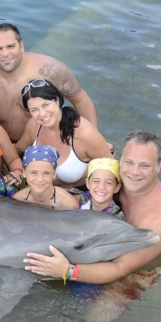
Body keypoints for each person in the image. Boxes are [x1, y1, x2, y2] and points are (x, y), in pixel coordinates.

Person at [23, 130, 161, 284]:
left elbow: (119, 268)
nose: (134, 172)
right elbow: (84, 192)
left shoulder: (157, 219)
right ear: (120, 161)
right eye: (129, 162)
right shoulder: (115, 181)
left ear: (158, 167)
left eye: (145, 165)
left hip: (133, 271)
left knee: (106, 304)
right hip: (98, 247)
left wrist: (67, 271)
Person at [0, 23, 97, 143]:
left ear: (21, 46)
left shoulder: (51, 69)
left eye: (10, 46)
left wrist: (94, 138)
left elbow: (80, 100)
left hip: (50, 144)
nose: (5, 53)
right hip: (10, 147)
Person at [15, 79, 113, 188]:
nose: (42, 114)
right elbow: (18, 149)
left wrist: (71, 184)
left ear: (57, 100)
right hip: (43, 190)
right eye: (34, 110)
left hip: (79, 192)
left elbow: (111, 169)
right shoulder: (34, 126)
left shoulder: (85, 133)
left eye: (45, 105)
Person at [12, 145, 78, 209]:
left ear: (54, 174)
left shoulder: (68, 204)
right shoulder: (18, 200)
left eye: (46, 173)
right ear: (24, 173)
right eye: (33, 173)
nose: (40, 179)